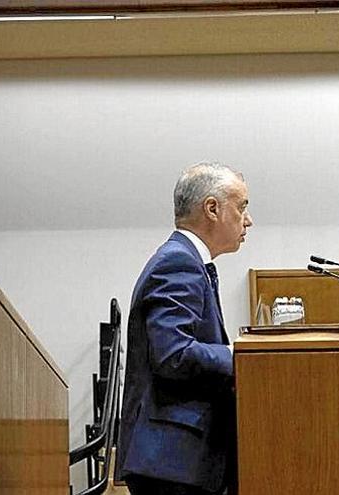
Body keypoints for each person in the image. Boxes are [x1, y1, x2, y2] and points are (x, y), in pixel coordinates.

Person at [115, 162, 253, 495]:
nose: (247, 220)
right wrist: (240, 355)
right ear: (212, 209)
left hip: (175, 461)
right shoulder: (180, 262)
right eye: (242, 207)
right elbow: (173, 353)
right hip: (173, 461)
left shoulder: (186, 260)